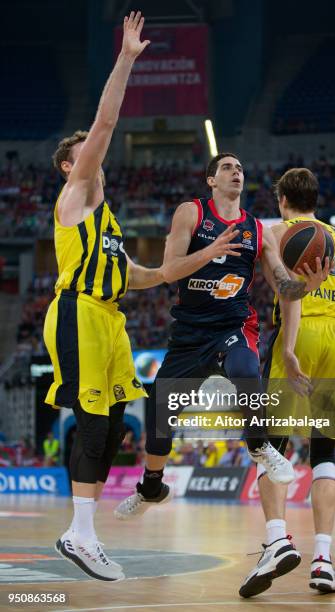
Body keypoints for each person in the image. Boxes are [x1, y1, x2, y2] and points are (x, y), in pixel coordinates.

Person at [114, 155, 329, 521]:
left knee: (246, 369)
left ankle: (259, 445)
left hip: (233, 326)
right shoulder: (191, 213)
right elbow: (169, 271)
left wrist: (304, 286)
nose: (236, 172)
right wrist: (210, 252)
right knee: (158, 420)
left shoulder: (257, 230)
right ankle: (151, 486)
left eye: (241, 168)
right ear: (211, 180)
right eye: (228, 167)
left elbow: (282, 285)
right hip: (190, 334)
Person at [43, 12, 165, 582]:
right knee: (93, 426)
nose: (94, 155)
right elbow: (107, 122)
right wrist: (127, 58)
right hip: (77, 314)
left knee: (115, 427)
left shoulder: (109, 222)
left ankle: (82, 533)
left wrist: (194, 266)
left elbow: (141, 276)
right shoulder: (76, 192)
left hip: (109, 319)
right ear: (71, 166)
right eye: (84, 151)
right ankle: (80, 534)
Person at [240, 167, 335, 597]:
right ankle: (323, 560)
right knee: (324, 456)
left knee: (272, 448)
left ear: (282, 199)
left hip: (299, 336)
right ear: (316, 200)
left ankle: (277, 541)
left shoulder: (278, 231)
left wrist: (293, 342)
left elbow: (287, 292)